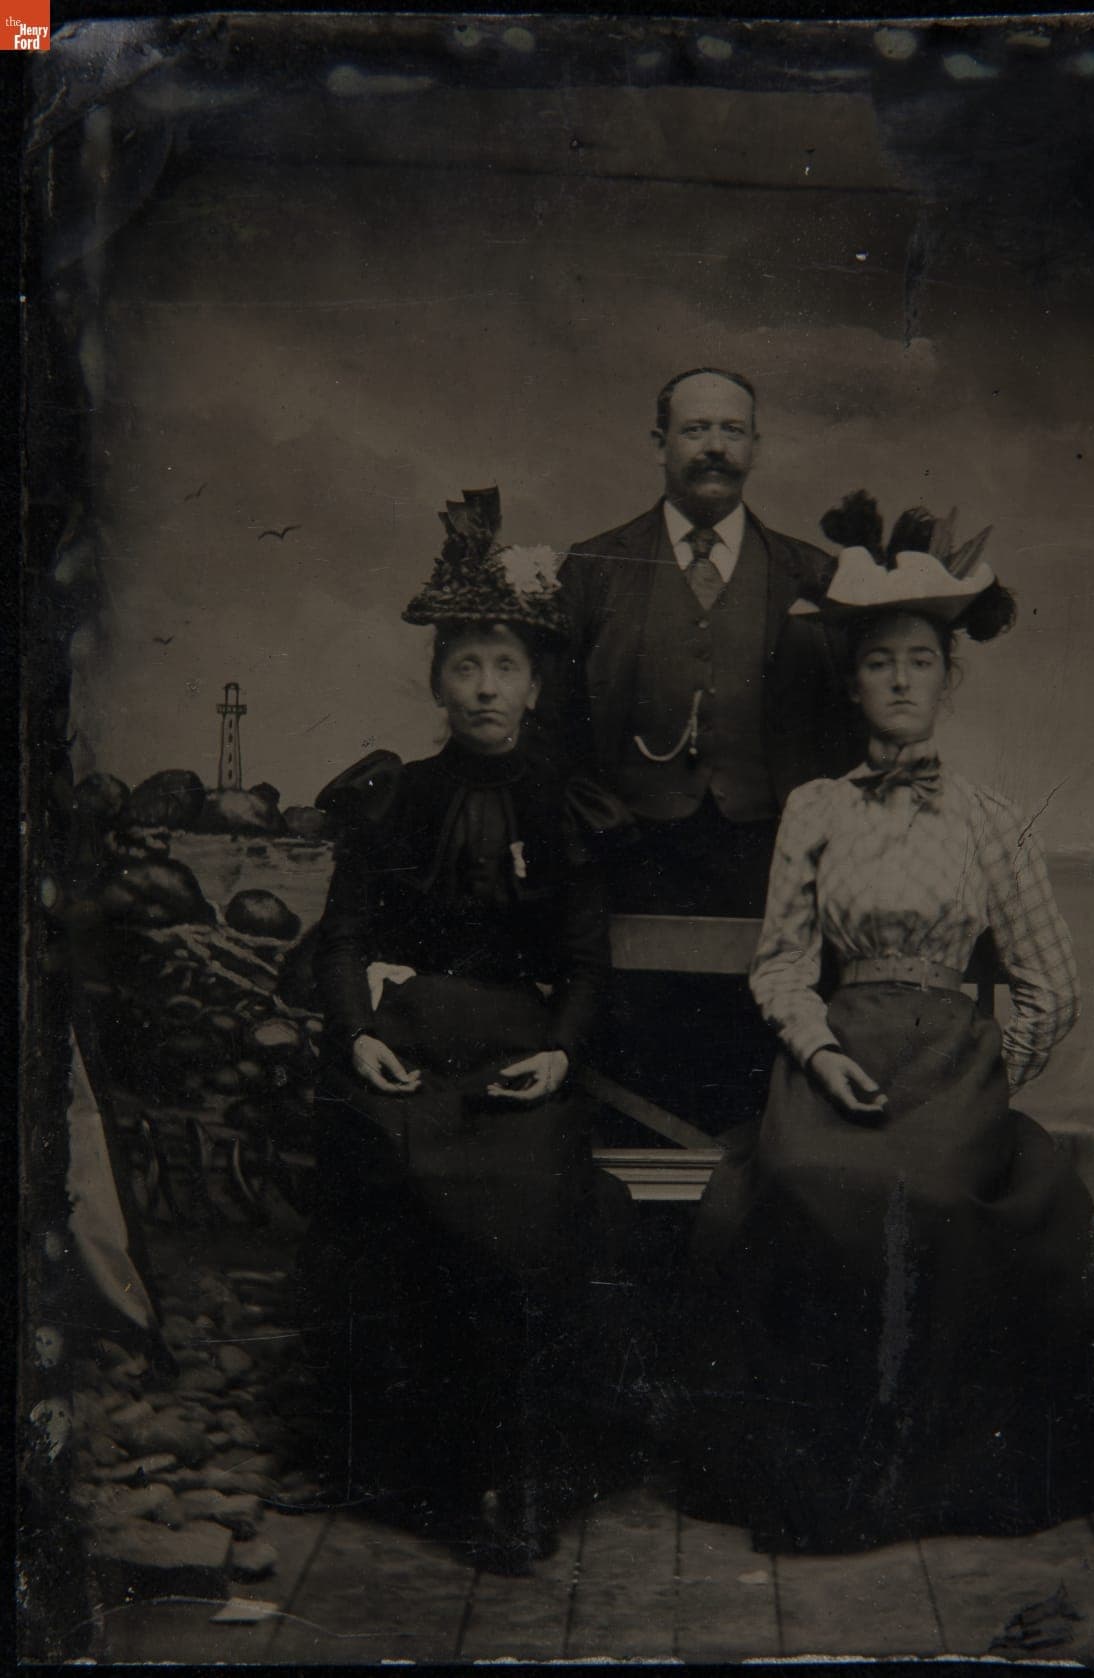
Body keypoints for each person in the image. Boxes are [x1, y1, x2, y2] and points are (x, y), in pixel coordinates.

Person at [675, 492, 1094, 1553]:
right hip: (837, 1058)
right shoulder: (816, 808)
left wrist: (991, 1074)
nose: (901, 681)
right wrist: (816, 1051)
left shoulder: (990, 821)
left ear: (951, 679)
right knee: (806, 1186)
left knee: (938, 1191)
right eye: (881, 663)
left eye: (921, 662)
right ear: (851, 684)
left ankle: (931, 1482)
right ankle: (827, 1479)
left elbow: (1051, 982)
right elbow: (783, 965)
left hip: (954, 1069)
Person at [296, 489, 633, 1574]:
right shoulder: (397, 799)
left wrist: (562, 1050)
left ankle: (525, 1470)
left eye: (504, 667)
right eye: (464, 666)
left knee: (536, 1194)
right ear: (437, 681)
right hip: (410, 1042)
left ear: (535, 684)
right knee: (383, 1166)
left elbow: (586, 962)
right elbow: (342, 939)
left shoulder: (564, 806)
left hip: (516, 1052)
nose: (485, 686)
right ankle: (407, 1466)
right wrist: (355, 1034)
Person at [545, 366, 862, 917]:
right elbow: (554, 721)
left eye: (733, 431)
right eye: (695, 430)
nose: (716, 446)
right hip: (627, 853)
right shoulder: (596, 568)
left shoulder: (810, 573)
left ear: (756, 447)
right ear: (658, 443)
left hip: (770, 857)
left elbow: (844, 728)